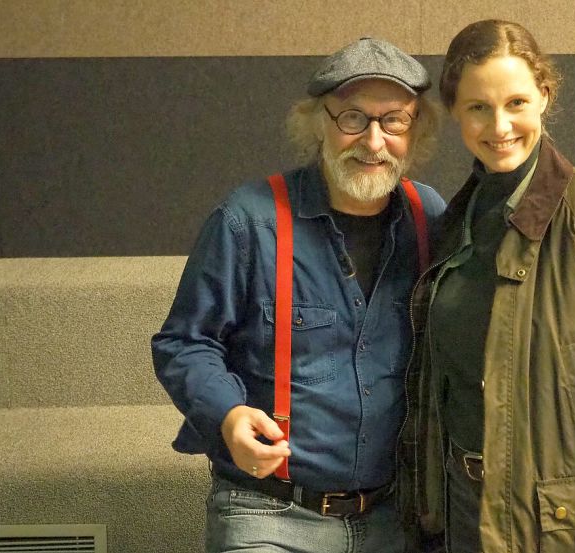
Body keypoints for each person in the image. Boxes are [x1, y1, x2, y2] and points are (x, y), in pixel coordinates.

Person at [152, 36, 446, 553]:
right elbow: (185, 342)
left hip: (397, 515)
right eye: (353, 118)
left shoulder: (431, 219)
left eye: (393, 120)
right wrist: (228, 415)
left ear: (414, 128)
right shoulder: (248, 220)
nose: (374, 141)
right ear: (318, 123)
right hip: (268, 511)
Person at [397, 20, 575, 553]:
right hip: (458, 514)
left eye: (517, 102)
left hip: (548, 532)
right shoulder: (455, 222)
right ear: (454, 110)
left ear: (545, 97)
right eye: (478, 106)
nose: (499, 125)